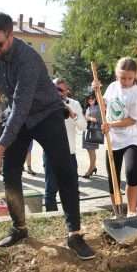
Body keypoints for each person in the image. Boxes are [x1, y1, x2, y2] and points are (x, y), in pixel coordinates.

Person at [0, 12, 94, 260]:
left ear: (11, 36)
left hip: (46, 114)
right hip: (19, 114)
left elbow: (21, 106)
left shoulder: (27, 59)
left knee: (64, 170)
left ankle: (74, 234)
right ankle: (19, 227)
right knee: (11, 172)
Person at [97, 57, 137, 222]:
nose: (126, 81)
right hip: (113, 139)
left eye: (130, 78)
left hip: (132, 138)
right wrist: (97, 92)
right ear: (117, 74)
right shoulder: (112, 87)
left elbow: (132, 119)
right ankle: (117, 213)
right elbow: (104, 104)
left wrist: (111, 124)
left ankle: (131, 211)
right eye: (122, 77)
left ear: (135, 76)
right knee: (113, 177)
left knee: (132, 173)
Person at [43, 78, 86, 212]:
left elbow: (83, 127)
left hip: (69, 154)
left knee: (72, 189)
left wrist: (72, 114)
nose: (58, 93)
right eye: (55, 89)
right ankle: (52, 218)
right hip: (51, 154)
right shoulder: (45, 104)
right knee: (50, 190)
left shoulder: (74, 103)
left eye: (61, 90)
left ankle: (74, 218)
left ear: (67, 91)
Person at [82, 94, 101, 178]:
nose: (90, 100)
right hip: (87, 130)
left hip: (94, 131)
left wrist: (88, 118)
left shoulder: (98, 108)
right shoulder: (88, 107)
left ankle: (90, 169)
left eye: (92, 98)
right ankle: (93, 166)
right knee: (89, 151)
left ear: (95, 99)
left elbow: (98, 120)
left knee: (91, 150)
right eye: (88, 99)